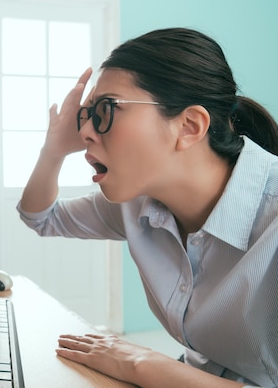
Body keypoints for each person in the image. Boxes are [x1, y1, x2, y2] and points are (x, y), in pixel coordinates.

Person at [17, 27, 278, 387]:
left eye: (106, 109)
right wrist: (53, 151)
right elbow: (40, 217)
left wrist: (141, 363)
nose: (86, 132)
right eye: (86, 115)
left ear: (189, 126)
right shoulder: (137, 204)